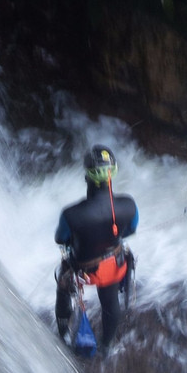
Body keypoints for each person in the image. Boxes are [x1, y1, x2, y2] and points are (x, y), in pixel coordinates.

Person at [55, 144, 139, 351]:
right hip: (112, 267)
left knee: (63, 284)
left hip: (81, 270)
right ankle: (107, 345)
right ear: (113, 173)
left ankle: (63, 331)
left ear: (87, 176)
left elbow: (60, 238)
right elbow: (131, 229)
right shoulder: (129, 205)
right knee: (110, 302)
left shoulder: (71, 214)